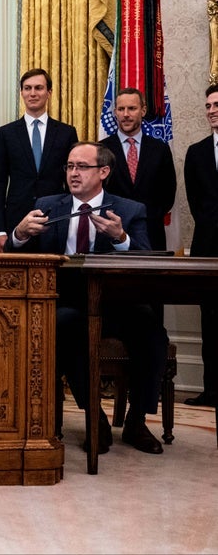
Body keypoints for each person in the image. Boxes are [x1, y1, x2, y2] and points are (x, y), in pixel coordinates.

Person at [10, 141, 168, 455]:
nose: (73, 173)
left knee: (153, 333)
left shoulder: (129, 210)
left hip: (117, 305)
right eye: (70, 166)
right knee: (65, 325)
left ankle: (137, 420)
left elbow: (147, 259)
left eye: (82, 167)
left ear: (104, 172)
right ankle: (94, 417)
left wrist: (120, 238)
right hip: (68, 303)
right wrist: (20, 234)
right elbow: (19, 261)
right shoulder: (47, 205)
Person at [0, 68, 78, 253]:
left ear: (49, 92)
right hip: (17, 222)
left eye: (38, 88)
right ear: (22, 93)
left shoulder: (66, 133)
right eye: (27, 88)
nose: (33, 93)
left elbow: (73, 181)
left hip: (56, 219)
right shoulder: (6, 133)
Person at [100, 87, 176, 251]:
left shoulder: (160, 149)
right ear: (115, 112)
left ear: (143, 110)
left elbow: (168, 193)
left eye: (132, 108)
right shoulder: (101, 149)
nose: (126, 114)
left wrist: (148, 216)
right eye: (121, 109)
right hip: (111, 234)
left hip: (151, 233)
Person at [183, 83, 218, 408]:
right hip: (208, 248)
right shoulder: (197, 153)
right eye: (208, 106)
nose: (212, 111)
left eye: (216, 105)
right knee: (211, 321)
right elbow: (196, 203)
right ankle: (211, 390)